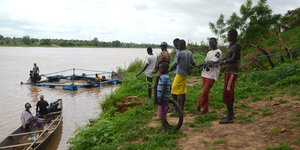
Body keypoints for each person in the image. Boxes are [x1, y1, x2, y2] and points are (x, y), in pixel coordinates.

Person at [217, 29, 241, 124]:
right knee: (226, 92)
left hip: (232, 71)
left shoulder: (237, 45)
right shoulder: (231, 45)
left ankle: (230, 117)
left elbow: (233, 58)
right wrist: (218, 61)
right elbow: (227, 57)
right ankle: (230, 114)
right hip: (228, 71)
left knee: (228, 92)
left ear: (235, 36)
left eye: (230, 35)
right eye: (228, 35)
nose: (228, 37)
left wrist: (224, 62)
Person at [195, 38, 222, 115]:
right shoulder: (209, 52)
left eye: (212, 43)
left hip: (212, 75)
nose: (211, 44)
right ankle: (205, 109)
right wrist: (202, 64)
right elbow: (206, 61)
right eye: (210, 43)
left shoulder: (218, 52)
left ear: (216, 43)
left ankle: (198, 107)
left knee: (204, 92)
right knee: (205, 93)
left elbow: (211, 63)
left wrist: (202, 64)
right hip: (205, 74)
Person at [169, 39, 195, 112]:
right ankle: (181, 108)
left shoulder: (180, 53)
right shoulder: (190, 53)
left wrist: (170, 69)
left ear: (183, 45)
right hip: (185, 75)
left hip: (179, 74)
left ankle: (176, 108)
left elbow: (175, 64)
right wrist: (189, 66)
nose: (178, 47)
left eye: (178, 46)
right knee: (182, 92)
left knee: (173, 91)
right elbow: (193, 64)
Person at [157, 62, 171, 133]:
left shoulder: (163, 77)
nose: (159, 70)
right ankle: (163, 125)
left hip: (162, 98)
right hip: (165, 97)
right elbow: (169, 87)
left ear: (166, 69)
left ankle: (165, 130)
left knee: (162, 114)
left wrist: (160, 98)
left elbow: (164, 88)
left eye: (161, 69)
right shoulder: (166, 76)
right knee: (163, 113)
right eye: (159, 68)